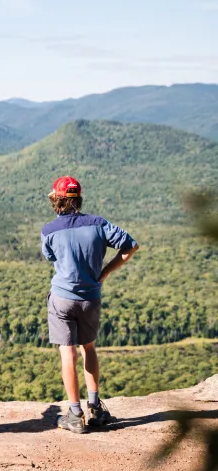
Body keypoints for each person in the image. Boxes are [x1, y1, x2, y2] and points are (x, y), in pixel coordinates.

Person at [41, 177, 139, 434]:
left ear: (57, 199)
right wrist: (104, 272)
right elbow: (131, 246)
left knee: (67, 353)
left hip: (62, 298)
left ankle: (75, 414)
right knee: (89, 349)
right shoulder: (99, 224)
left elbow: (50, 256)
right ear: (78, 198)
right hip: (90, 297)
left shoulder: (49, 230)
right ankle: (95, 407)